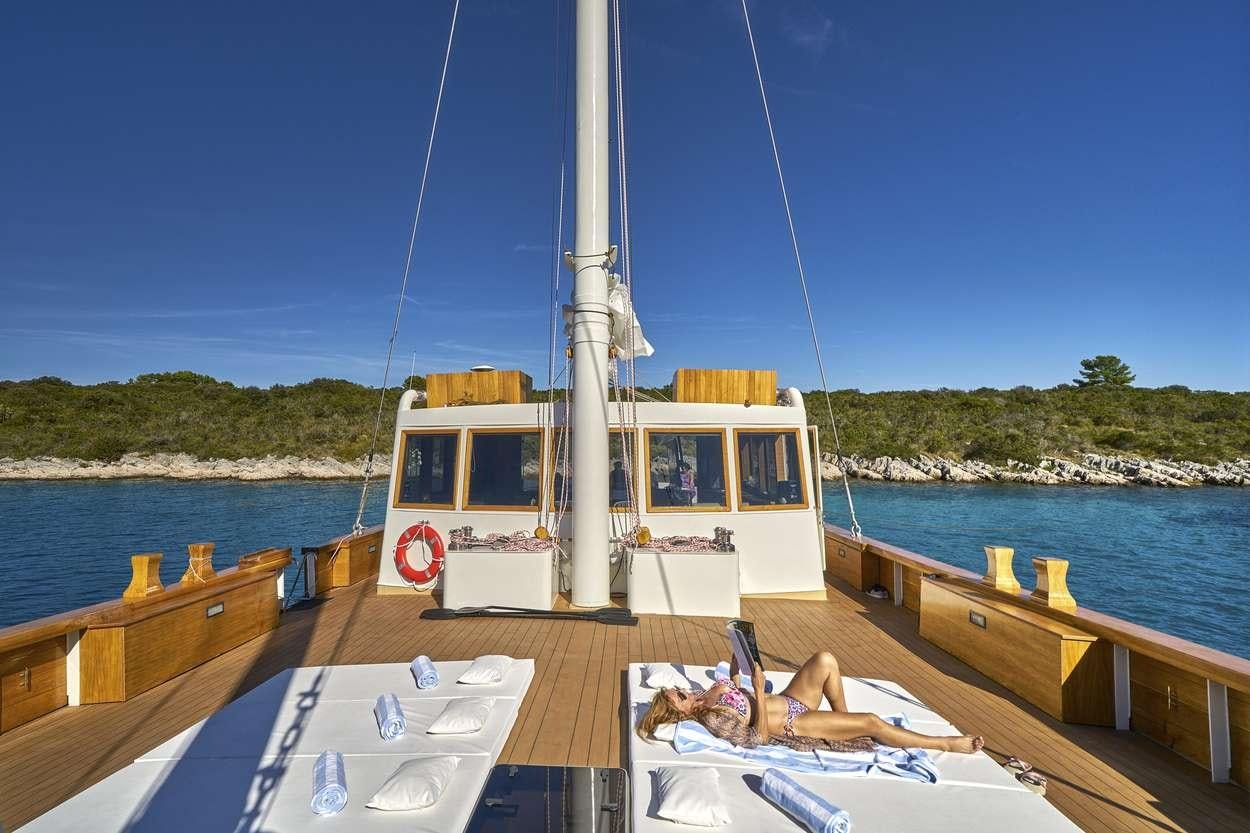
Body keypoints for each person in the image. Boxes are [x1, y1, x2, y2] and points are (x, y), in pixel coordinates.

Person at [637, 650, 984, 754]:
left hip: (790, 700)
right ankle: (947, 743)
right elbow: (757, 739)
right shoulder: (710, 719)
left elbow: (735, 692)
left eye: (678, 689)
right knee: (874, 722)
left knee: (826, 660)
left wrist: (737, 668)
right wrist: (757, 690)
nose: (683, 690)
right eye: (678, 696)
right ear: (678, 712)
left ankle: (845, 723)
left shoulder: (707, 693)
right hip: (793, 723)